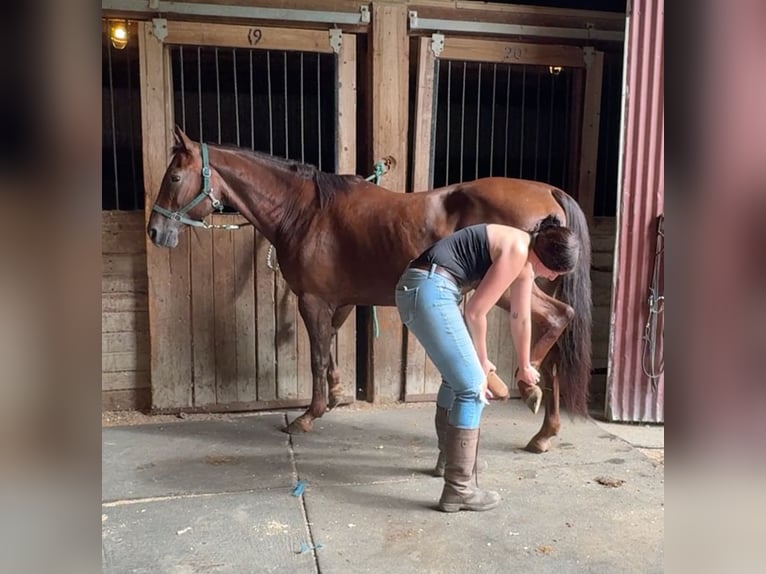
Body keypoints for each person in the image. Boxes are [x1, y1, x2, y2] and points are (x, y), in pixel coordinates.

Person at [394, 221, 580, 512]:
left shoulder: (524, 257)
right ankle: (459, 490)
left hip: (425, 288)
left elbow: (520, 317)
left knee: (454, 380)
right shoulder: (517, 250)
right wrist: (481, 362)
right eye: (556, 271)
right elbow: (476, 311)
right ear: (547, 259)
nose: (554, 277)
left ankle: (448, 461)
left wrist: (524, 366)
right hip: (431, 289)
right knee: (471, 387)